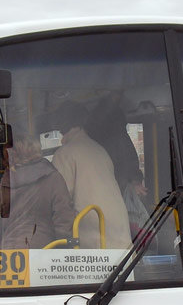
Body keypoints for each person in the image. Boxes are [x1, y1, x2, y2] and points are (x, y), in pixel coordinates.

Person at [48, 102, 132, 249]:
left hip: (92, 233)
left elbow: (60, 200)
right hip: (120, 232)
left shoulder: (65, 153)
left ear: (60, 124)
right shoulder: (99, 150)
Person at [0, 128, 76, 250]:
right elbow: (64, 220)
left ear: (11, 154)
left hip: (7, 256)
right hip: (44, 254)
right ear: (36, 150)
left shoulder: (5, 185)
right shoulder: (53, 178)